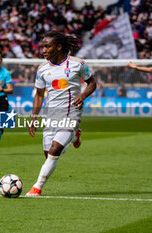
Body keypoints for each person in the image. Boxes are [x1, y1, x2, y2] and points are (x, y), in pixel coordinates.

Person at [26, 31, 97, 197]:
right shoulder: (42, 69)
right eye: (43, 46)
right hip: (51, 115)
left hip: (71, 113)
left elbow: (92, 83)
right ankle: (74, 136)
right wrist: (34, 118)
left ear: (58, 47)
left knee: (55, 149)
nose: (43, 50)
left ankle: (37, 187)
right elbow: (39, 94)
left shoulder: (77, 64)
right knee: (48, 154)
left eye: (47, 46)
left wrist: (83, 95)